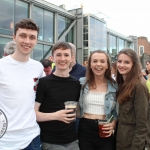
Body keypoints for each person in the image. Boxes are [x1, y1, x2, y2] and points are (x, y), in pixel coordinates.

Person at [0, 18, 43, 150]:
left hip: (32, 139)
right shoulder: (1, 66)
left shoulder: (38, 67)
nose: (27, 41)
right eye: (22, 36)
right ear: (14, 37)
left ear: (36, 40)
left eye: (32, 37)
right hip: (5, 141)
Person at [35, 41, 81, 150]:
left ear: (71, 58)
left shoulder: (76, 84)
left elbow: (78, 112)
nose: (62, 58)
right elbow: (34, 113)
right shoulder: (43, 82)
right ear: (52, 58)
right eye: (58, 55)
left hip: (73, 141)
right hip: (50, 142)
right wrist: (56, 115)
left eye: (66, 55)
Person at [78, 50, 117, 150]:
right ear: (89, 65)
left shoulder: (115, 86)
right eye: (95, 61)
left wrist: (113, 124)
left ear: (107, 65)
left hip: (104, 127)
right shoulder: (81, 83)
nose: (98, 64)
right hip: (85, 128)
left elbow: (116, 112)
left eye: (102, 61)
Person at [116, 49, 150, 150]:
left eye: (127, 62)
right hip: (121, 142)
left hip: (133, 145)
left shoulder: (139, 86)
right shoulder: (121, 84)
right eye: (119, 61)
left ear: (134, 65)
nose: (122, 65)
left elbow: (143, 124)